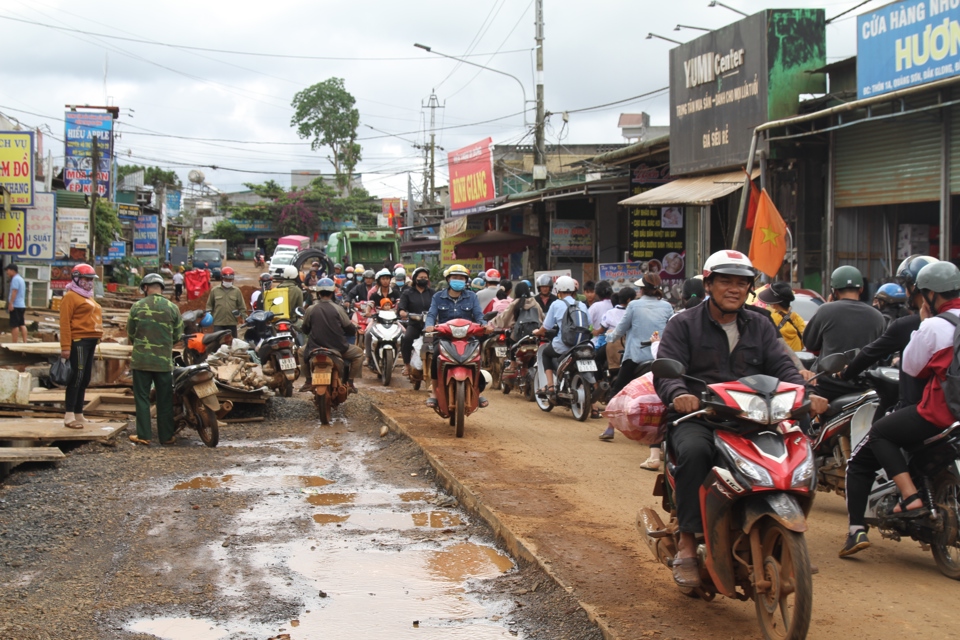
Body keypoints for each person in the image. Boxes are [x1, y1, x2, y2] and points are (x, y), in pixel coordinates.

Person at [653, 250, 828, 587]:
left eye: (741, 283)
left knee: (798, 446)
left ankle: (781, 530)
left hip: (754, 417)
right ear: (709, 284)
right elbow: (667, 371)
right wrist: (679, 394)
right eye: (725, 282)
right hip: (702, 416)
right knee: (694, 453)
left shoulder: (760, 325)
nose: (733, 289)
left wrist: (806, 394)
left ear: (749, 288)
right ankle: (688, 543)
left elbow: (784, 368)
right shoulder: (683, 324)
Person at [841, 261, 960, 558]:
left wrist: (925, 321)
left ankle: (906, 499)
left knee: (879, 433)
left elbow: (912, 367)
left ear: (929, 294)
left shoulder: (934, 325)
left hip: (939, 412)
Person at [840, 255, 938, 416]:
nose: (906, 292)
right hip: (948, 408)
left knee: (876, 436)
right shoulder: (951, 322)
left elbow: (870, 353)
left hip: (917, 410)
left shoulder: (906, 326)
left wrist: (844, 374)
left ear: (918, 288)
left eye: (907, 286)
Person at [802, 265, 885, 400]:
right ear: (861, 289)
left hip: (828, 387)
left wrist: (827, 307)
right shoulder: (878, 317)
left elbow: (810, 344)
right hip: (863, 388)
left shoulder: (826, 310)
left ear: (834, 291)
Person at [127, 274, 183, 446]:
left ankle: (144, 435)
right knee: (164, 399)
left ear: (145, 287)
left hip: (141, 361)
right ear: (161, 288)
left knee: (142, 398)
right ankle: (166, 437)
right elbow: (177, 335)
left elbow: (130, 333)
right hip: (163, 363)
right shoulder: (172, 308)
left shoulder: (137, 307)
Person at [424, 264, 490, 408]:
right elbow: (431, 315)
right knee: (436, 355)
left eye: (461, 278)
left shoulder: (472, 296)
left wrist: (484, 325)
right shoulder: (437, 297)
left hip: (468, 338)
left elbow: (479, 315)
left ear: (466, 280)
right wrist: (429, 326)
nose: (458, 280)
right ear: (448, 279)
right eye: (455, 278)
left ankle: (477, 392)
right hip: (444, 337)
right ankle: (434, 393)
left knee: (478, 358)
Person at [607, 273, 673, 397]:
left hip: (636, 357)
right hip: (659, 356)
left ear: (642, 289)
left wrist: (609, 337)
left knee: (617, 392)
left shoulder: (633, 305)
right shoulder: (667, 306)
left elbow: (620, 329)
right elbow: (671, 330)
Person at [59, 264, 104, 429]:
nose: (89, 282)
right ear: (76, 278)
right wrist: (65, 347)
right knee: (76, 377)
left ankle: (79, 413)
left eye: (91, 279)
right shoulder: (70, 297)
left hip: (90, 341)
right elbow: (64, 323)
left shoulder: (87, 296)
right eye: (86, 279)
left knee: (85, 378)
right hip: (78, 341)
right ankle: (69, 415)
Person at [300, 278, 363, 393]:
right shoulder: (338, 309)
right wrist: (353, 329)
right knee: (359, 354)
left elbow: (305, 328)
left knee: (300, 352)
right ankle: (349, 383)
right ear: (333, 292)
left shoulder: (311, 309)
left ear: (318, 293)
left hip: (314, 346)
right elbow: (348, 327)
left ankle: (308, 381)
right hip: (338, 347)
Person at [532, 275, 588, 403]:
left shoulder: (556, 304)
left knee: (546, 353)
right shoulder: (581, 305)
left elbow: (546, 327)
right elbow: (588, 323)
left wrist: (537, 332)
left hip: (564, 344)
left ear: (557, 289)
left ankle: (550, 386)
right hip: (582, 344)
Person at [398, 267, 433, 377]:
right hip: (414, 324)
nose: (423, 279)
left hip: (430, 325)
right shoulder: (407, 293)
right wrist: (403, 312)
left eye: (425, 277)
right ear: (415, 279)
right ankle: (407, 365)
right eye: (421, 277)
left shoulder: (433, 293)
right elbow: (401, 307)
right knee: (407, 338)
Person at [759, 282, 805, 351]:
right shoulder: (797, 318)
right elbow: (804, 339)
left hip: (779, 359)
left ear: (774, 303)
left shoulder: (770, 318)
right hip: (796, 358)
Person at [205, 266, 246, 337]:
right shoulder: (215, 291)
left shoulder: (236, 291)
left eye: (230, 280)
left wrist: (244, 318)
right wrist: (208, 319)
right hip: (218, 323)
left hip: (232, 323)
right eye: (226, 279)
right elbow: (209, 306)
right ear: (222, 278)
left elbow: (242, 307)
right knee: (218, 344)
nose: (228, 281)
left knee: (232, 344)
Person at [5, 263, 27, 343]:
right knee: (22, 324)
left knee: (14, 325)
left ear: (12, 270)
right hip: (21, 305)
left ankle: (14, 343)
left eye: (8, 271)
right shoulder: (21, 279)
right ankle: (25, 342)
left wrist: (11, 303)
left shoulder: (15, 279)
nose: (7, 273)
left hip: (16, 305)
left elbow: (14, 291)